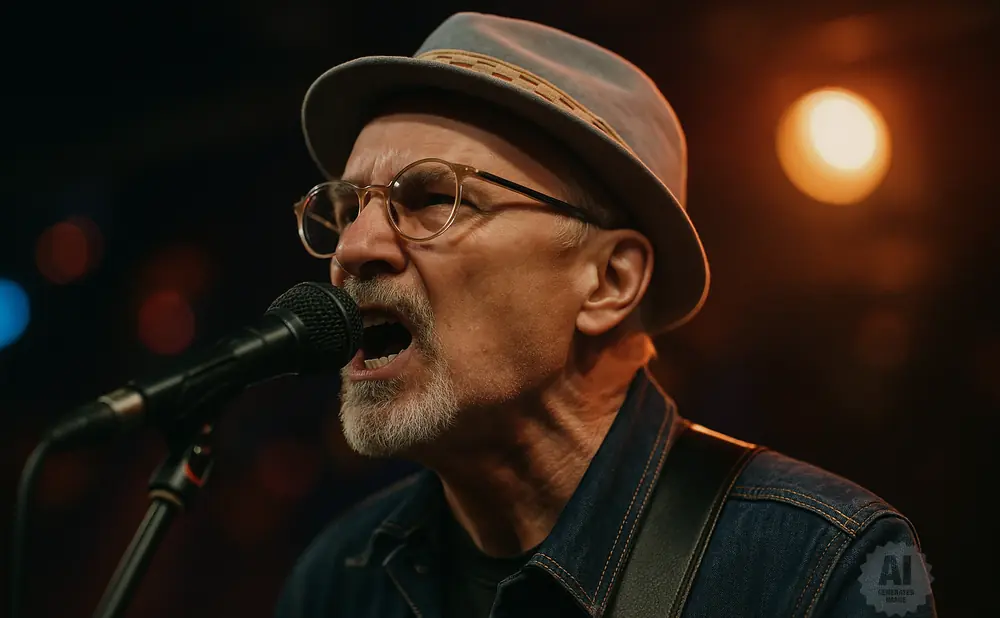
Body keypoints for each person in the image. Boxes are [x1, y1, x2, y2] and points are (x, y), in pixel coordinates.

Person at [275, 12, 937, 618]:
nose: (355, 248)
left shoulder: (814, 566)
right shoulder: (339, 578)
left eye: (431, 198)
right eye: (346, 208)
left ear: (609, 282)